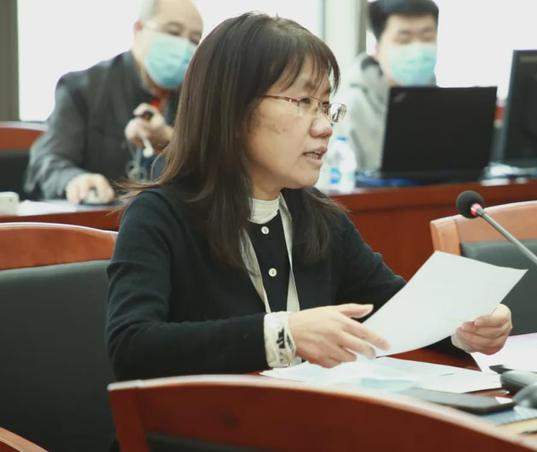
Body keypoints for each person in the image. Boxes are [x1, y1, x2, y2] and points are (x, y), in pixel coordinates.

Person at [106, 12, 511, 381]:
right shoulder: (159, 215)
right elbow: (131, 346)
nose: (324, 127)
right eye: (303, 102)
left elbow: (395, 311)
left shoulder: (319, 217)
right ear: (233, 109)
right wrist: (283, 335)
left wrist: (464, 327)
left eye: (326, 105)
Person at [23, 0, 203, 203]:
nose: (184, 47)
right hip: (103, 217)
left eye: (194, 40)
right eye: (173, 32)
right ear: (139, 29)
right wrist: (75, 180)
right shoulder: (83, 89)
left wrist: (170, 140)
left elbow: (217, 164)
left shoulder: (199, 97)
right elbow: (47, 162)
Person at [336, 0, 439, 173]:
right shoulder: (350, 109)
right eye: (404, 40)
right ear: (377, 49)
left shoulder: (448, 106)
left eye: (427, 38)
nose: (417, 50)